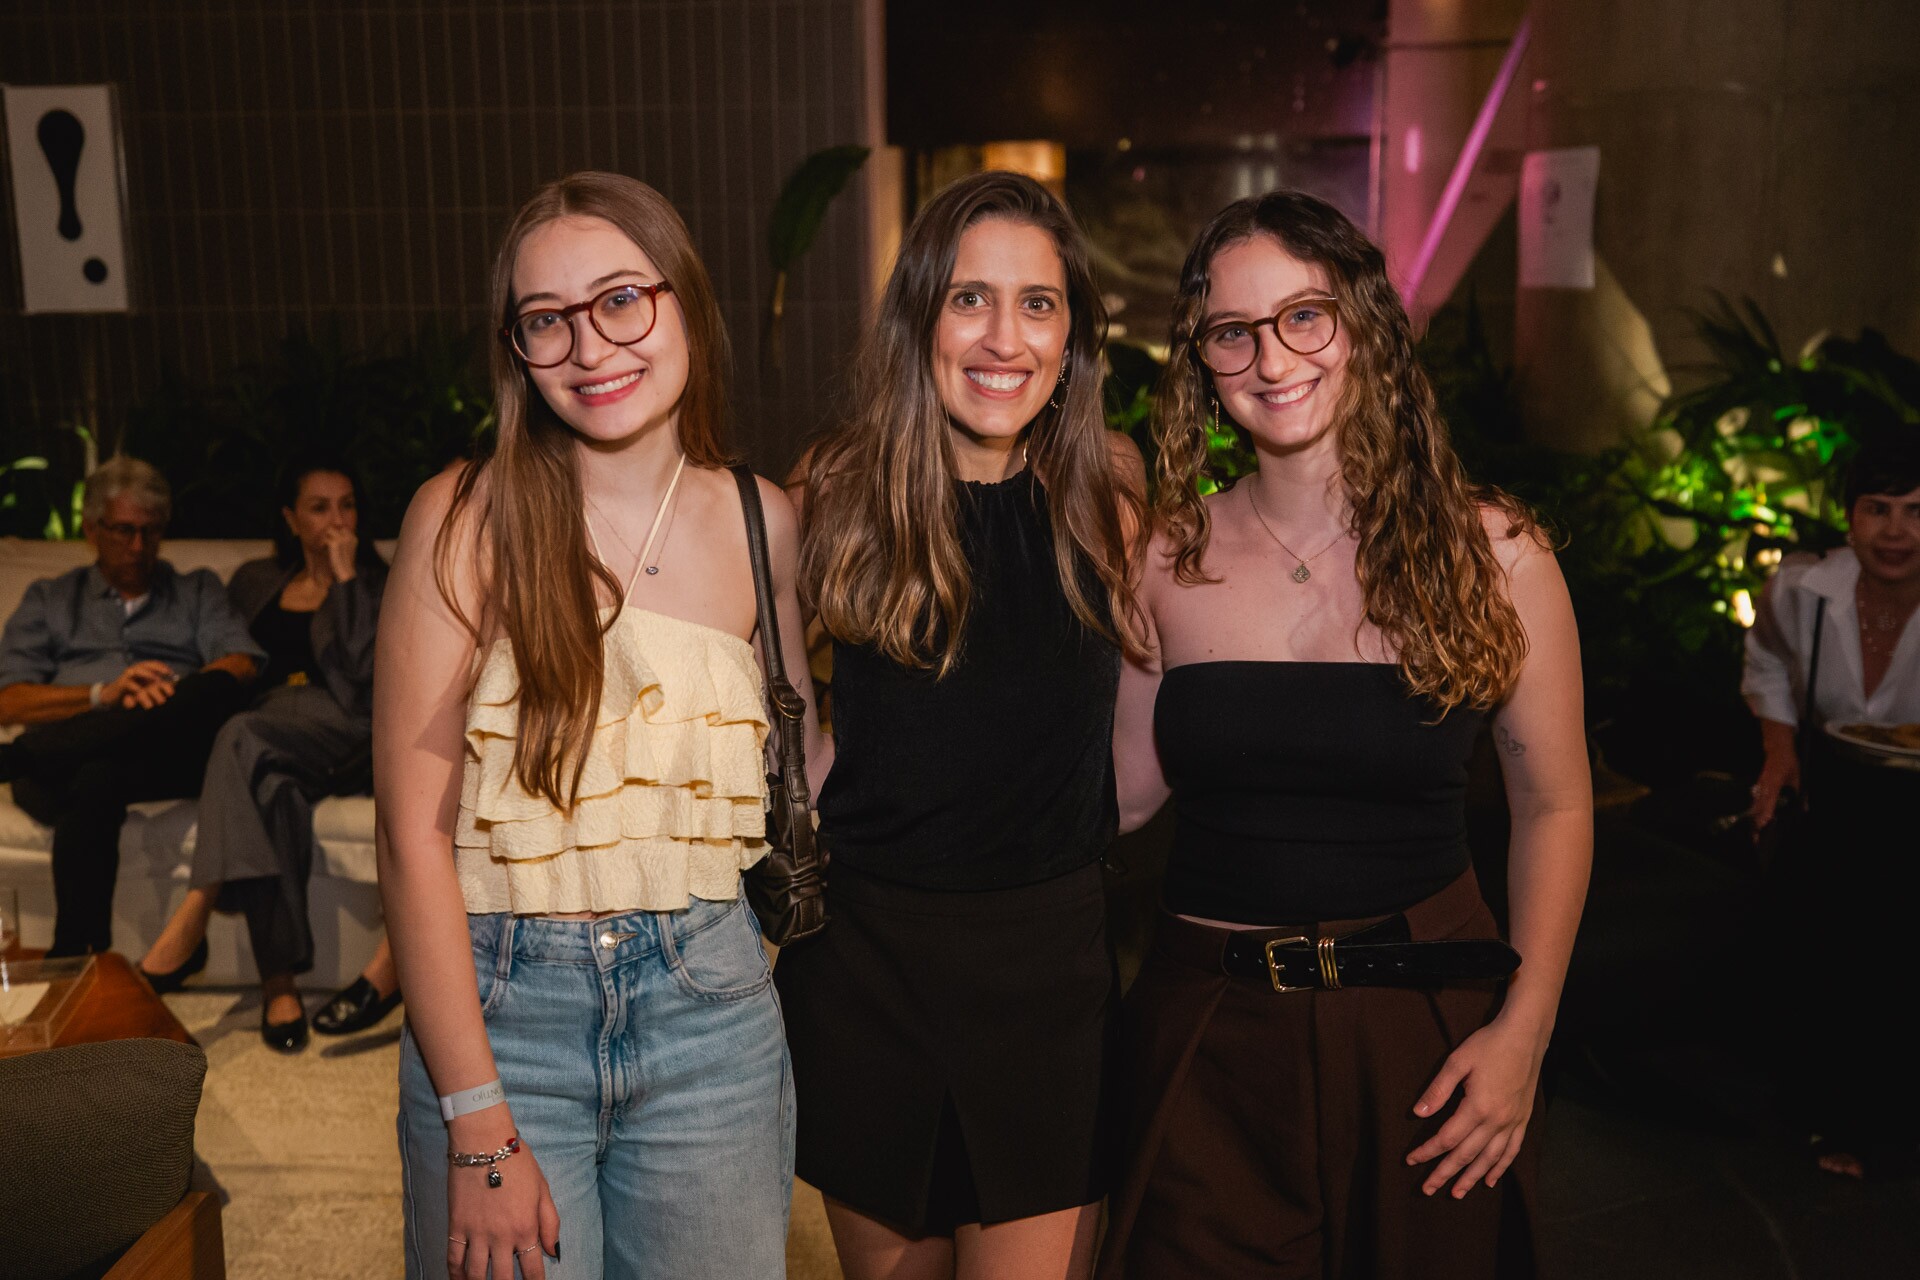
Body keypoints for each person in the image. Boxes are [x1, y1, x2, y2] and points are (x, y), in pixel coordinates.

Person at [1100, 191, 1592, 1279]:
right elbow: (1119, 795)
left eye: (1305, 316)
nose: (1273, 358)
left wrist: (1526, 1030)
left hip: (1427, 1041)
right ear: (1202, 359)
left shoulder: (1495, 552)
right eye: (1235, 330)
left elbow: (1555, 804)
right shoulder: (1163, 557)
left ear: (1363, 324)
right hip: (1207, 1036)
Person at [377, 171, 823, 1279]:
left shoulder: (767, 520)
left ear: (685, 304)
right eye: (547, 320)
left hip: (712, 1009)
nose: (590, 346)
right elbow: (411, 836)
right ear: (515, 348)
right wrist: (477, 1119)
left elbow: (800, 761)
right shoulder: (465, 518)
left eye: (622, 299)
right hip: (502, 1015)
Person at [781, 171, 1145, 1280]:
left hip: (1047, 979)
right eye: (969, 298)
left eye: (1037, 303)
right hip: (867, 969)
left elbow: (1152, 728)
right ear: (920, 318)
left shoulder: (1110, 497)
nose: (1005, 336)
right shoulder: (838, 490)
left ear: (1074, 333)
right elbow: (775, 700)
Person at [134, 457, 397, 1052]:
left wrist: (347, 578)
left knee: (239, 735)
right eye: (320, 507)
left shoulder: (380, 582)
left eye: (347, 504)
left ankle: (198, 906)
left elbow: (362, 680)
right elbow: (223, 659)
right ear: (290, 518)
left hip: (346, 728)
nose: (337, 519)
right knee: (270, 790)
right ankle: (280, 987)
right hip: (271, 734)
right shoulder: (255, 581)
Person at [0, 457, 261, 956]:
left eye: (151, 531)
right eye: (124, 531)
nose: (139, 547)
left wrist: (169, 698)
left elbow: (243, 665)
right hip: (69, 766)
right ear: (91, 529)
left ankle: (75, 960)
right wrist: (105, 694)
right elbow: (9, 700)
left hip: (160, 755)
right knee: (95, 775)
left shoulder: (195, 590)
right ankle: (85, 961)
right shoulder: (52, 598)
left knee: (211, 691)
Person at [1746, 432, 1920, 1179]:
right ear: (1849, 518)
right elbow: (1768, 667)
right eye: (1877, 509)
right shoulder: (1802, 589)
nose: (1894, 531)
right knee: (1837, 951)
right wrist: (1778, 752)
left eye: (1915, 512)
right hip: (1838, 788)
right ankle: (1835, 1118)